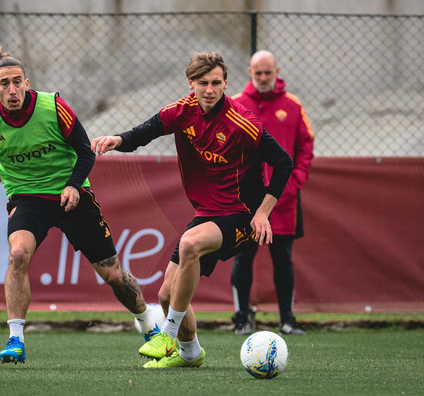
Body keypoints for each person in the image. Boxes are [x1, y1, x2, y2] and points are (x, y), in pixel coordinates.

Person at [0, 45, 160, 364]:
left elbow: (86, 151)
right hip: (27, 198)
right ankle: (15, 339)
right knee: (18, 254)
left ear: (27, 83)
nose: (12, 89)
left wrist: (73, 185)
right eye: (5, 84)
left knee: (113, 275)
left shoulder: (53, 107)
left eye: (17, 82)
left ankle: (148, 325)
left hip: (70, 194)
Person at [91, 51, 293, 368]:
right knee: (166, 296)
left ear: (226, 83)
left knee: (189, 244)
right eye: (202, 83)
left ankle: (168, 335)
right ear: (191, 83)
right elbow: (145, 132)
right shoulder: (182, 112)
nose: (209, 89)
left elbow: (283, 162)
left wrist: (263, 212)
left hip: (242, 214)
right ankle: (190, 354)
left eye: (216, 82)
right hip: (207, 213)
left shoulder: (242, 123)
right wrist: (117, 139)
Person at [230, 50, 314, 336]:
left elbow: (306, 145)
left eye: (268, 72)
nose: (264, 77)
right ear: (250, 73)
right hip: (247, 200)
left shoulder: (292, 105)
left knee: (283, 258)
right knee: (243, 256)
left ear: (277, 71)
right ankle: (241, 318)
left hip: (285, 198)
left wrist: (295, 181)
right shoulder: (236, 105)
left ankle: (287, 320)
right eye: (258, 73)